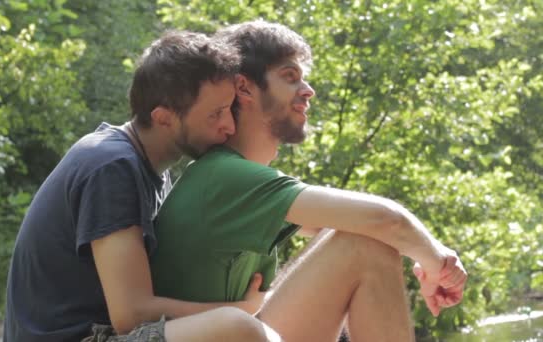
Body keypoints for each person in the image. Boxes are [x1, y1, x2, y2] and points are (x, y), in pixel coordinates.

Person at [150, 20, 468, 341]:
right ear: (244, 88)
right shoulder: (224, 175)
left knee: (365, 236)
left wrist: (419, 253)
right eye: (290, 77)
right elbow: (386, 220)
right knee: (364, 242)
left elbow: (356, 225)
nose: (308, 90)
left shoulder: (239, 180)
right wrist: (436, 260)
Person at [3, 31, 280, 342]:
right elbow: (131, 314)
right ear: (163, 118)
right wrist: (240, 309)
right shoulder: (110, 167)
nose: (229, 126)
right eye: (215, 114)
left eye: (229, 109)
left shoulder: (151, 171)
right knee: (236, 327)